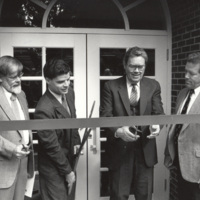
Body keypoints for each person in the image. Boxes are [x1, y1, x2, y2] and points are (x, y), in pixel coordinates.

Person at [100, 46, 164, 200]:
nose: (136, 71)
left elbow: (159, 114)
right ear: (125, 65)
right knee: (118, 196)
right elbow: (105, 116)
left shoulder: (153, 85)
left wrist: (157, 126)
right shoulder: (111, 87)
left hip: (145, 153)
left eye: (140, 66)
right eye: (132, 66)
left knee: (144, 197)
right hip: (119, 153)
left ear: (145, 66)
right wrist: (119, 131)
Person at [34, 58, 81, 200]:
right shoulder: (43, 109)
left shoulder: (69, 93)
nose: (66, 85)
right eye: (61, 82)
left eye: (68, 79)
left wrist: (77, 144)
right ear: (47, 80)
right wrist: (68, 172)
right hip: (52, 169)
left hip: (69, 162)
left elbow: (73, 122)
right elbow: (52, 147)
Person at [164, 52, 200, 200]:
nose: (186, 76)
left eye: (191, 74)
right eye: (186, 71)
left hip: (197, 166)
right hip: (180, 160)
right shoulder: (182, 93)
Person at [0, 56, 34, 200]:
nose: (19, 80)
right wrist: (12, 149)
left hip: (23, 163)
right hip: (4, 166)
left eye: (20, 75)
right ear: (0, 78)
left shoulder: (22, 95)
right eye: (13, 77)